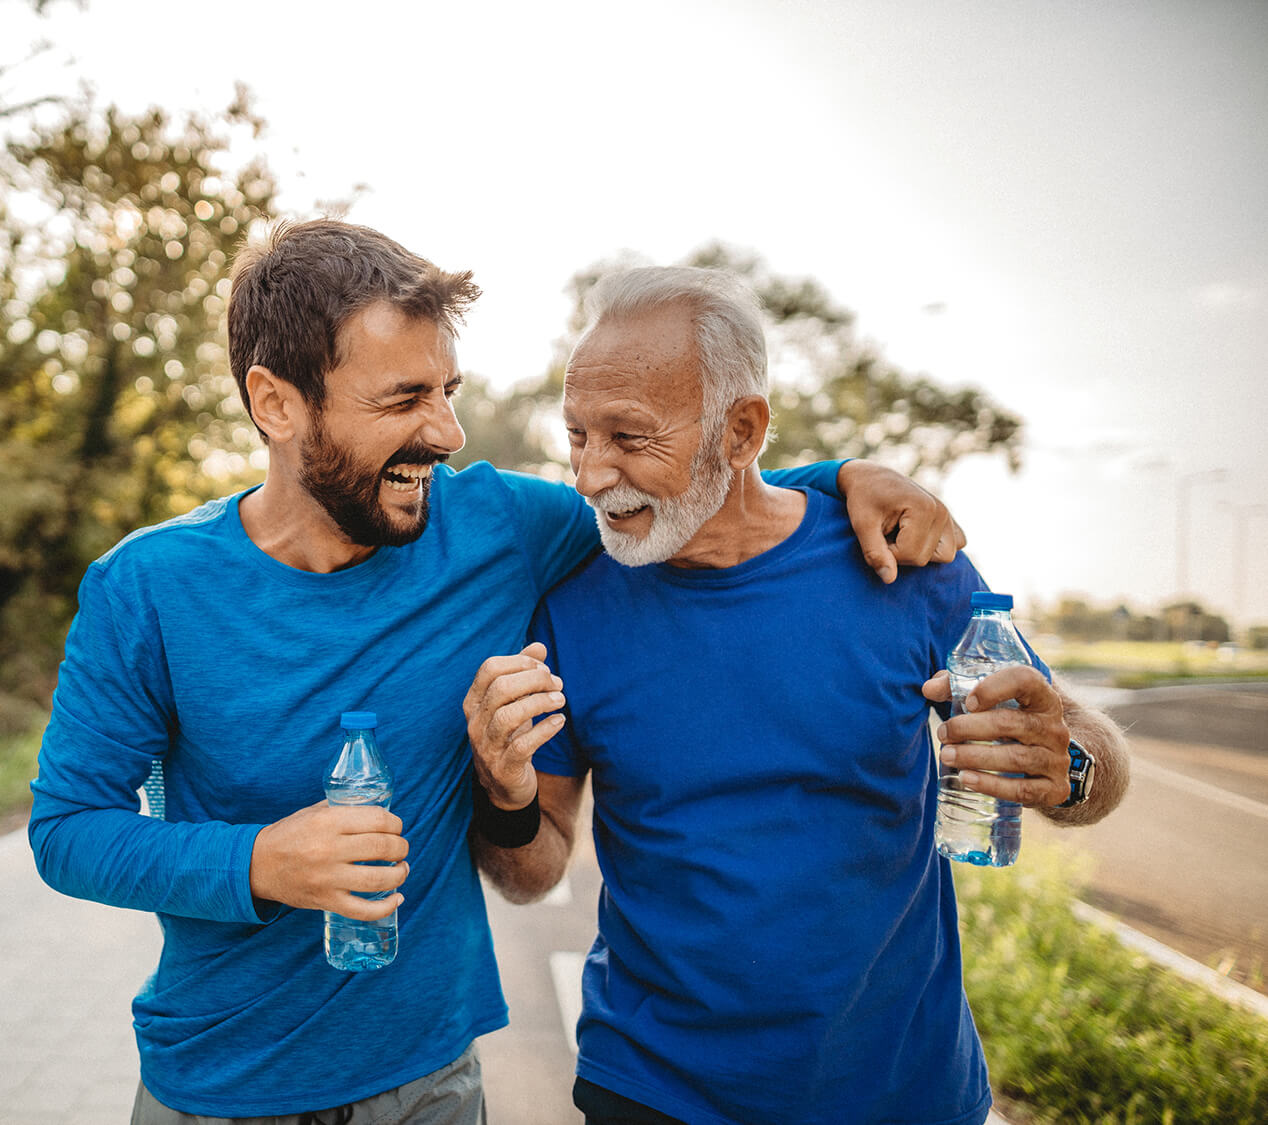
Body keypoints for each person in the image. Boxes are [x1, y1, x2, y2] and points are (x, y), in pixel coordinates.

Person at [29, 219, 968, 1124]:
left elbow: (689, 491)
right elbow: (67, 829)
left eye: (448, 389)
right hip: (215, 1079)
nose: (447, 432)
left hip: (426, 1081)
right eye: (403, 399)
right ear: (276, 403)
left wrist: (845, 478)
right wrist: (258, 861)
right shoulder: (145, 589)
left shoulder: (498, 531)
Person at [463, 266, 1131, 1125]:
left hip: (905, 1091)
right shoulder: (572, 603)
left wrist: (1069, 768)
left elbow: (1087, 757)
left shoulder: (899, 562)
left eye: (628, 437)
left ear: (741, 431)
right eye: (578, 436)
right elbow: (534, 868)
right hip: (655, 1091)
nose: (592, 474)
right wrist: (506, 793)